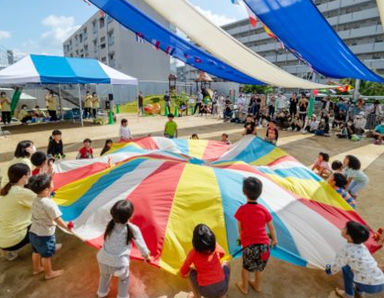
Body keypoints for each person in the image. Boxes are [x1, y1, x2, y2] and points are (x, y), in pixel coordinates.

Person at [97, 200, 150, 298]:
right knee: (124, 279)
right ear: (130, 216)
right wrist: (146, 256)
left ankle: (101, 293)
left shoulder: (110, 224)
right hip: (119, 264)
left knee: (104, 276)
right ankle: (122, 296)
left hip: (103, 259)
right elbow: (141, 245)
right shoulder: (133, 229)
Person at [235, 177, 278, 295]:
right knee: (260, 267)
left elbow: (240, 229)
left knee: (246, 268)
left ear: (244, 192)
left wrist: (242, 238)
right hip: (265, 247)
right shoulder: (264, 210)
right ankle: (257, 286)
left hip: (249, 247)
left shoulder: (241, 210)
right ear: (260, 192)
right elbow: (271, 228)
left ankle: (244, 287)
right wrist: (274, 239)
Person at [28, 174, 72, 279]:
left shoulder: (36, 199)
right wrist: (67, 227)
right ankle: (49, 273)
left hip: (33, 232)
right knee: (46, 255)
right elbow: (57, 219)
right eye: (51, 182)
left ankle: (37, 268)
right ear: (46, 189)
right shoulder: (49, 204)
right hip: (44, 235)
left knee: (36, 251)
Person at [325, 221, 384, 298]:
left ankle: (348, 294)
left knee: (346, 268)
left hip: (368, 285)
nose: (342, 228)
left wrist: (329, 270)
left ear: (349, 237)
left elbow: (336, 266)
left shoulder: (345, 250)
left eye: (345, 228)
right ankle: (359, 291)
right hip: (380, 281)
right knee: (360, 270)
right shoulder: (363, 246)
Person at [180, 224, 230, 298]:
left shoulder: (193, 253)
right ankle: (223, 295)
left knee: (191, 274)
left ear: (194, 242)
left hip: (205, 292)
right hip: (222, 288)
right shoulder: (216, 246)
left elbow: (185, 268)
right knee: (226, 263)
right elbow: (223, 253)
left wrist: (182, 273)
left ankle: (196, 296)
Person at [0, 164, 36, 261]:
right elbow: (43, 202)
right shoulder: (21, 193)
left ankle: (8, 252)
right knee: (42, 219)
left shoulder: (4, 191)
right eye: (29, 174)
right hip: (15, 240)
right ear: (24, 176)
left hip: (2, 240)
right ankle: (46, 247)